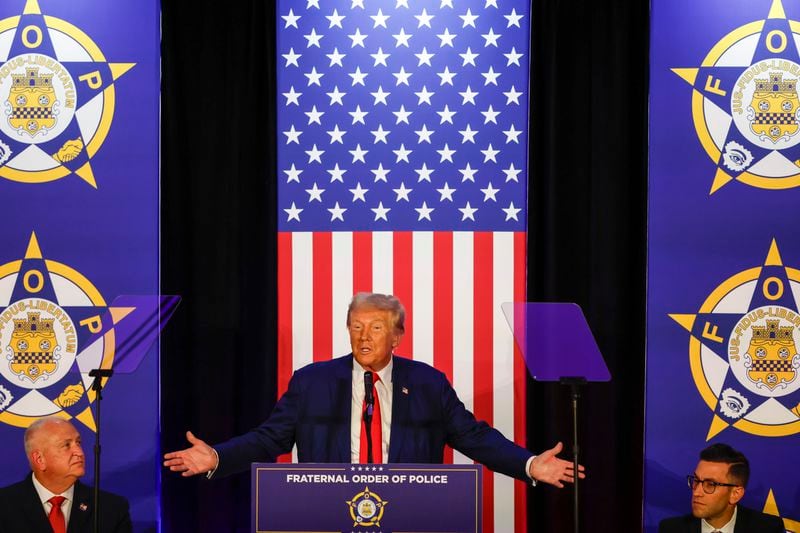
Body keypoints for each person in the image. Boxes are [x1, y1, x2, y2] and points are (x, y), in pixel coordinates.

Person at [165, 292, 584, 487]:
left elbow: (474, 438)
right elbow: (268, 438)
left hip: (410, 515)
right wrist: (218, 456)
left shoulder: (427, 383)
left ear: (397, 336)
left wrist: (529, 464)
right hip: (326, 514)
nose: (364, 337)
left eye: (376, 328)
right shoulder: (312, 381)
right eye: (356, 327)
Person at [0, 417, 132, 533]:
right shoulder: (4, 506)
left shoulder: (111, 509)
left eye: (78, 443)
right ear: (40, 460)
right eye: (66, 445)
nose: (79, 452)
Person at [658, 443, 784, 533]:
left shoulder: (768, 529)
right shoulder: (671, 529)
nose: (697, 492)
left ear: (735, 494)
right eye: (696, 480)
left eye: (710, 484)